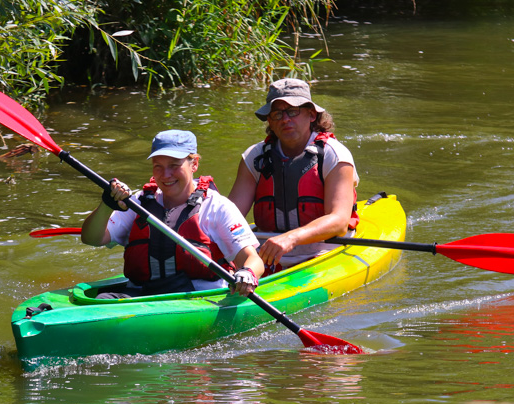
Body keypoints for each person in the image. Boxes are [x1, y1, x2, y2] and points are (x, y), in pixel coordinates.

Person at [81, 129, 264, 299]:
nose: (166, 174)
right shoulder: (139, 203)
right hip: (142, 296)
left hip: (198, 300)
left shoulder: (217, 207)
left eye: (174, 165)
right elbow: (92, 238)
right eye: (158, 166)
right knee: (102, 299)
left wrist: (247, 273)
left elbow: (253, 259)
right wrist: (107, 205)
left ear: (194, 164)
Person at [228, 78, 360, 272]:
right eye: (277, 113)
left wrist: (291, 238)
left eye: (293, 111)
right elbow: (230, 218)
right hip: (266, 254)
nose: (285, 119)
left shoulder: (335, 155)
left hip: (324, 252)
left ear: (312, 115)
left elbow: (339, 221)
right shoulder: (254, 157)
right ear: (270, 121)